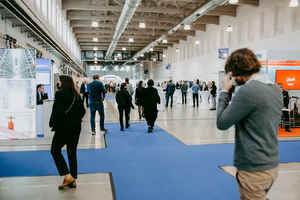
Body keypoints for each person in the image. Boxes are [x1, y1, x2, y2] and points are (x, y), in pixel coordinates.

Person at [216, 48, 282, 200]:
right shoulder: (275, 88)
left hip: (253, 168)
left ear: (237, 70)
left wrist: (224, 92)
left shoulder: (248, 91)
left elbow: (222, 122)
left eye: (231, 73)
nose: (231, 77)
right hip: (271, 163)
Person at [49, 75, 86, 190]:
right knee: (71, 151)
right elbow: (83, 111)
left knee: (55, 150)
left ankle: (68, 176)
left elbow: (59, 112)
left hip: (65, 125)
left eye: (59, 81)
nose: (58, 83)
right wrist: (76, 118)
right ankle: (72, 179)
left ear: (63, 83)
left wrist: (56, 126)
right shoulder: (76, 95)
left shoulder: (60, 94)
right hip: (76, 125)